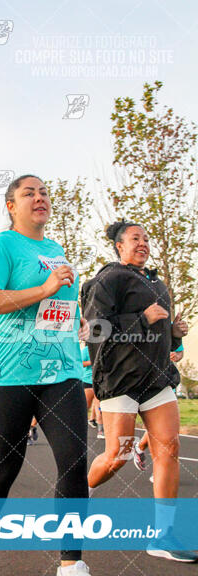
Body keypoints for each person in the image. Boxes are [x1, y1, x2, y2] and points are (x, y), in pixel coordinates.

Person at [0, 175, 91, 576]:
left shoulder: (56, 249)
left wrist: (76, 320)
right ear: (11, 206)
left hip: (62, 369)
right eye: (28, 193)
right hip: (9, 372)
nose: (39, 198)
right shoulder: (0, 245)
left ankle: (71, 564)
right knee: (6, 466)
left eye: (44, 192)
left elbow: (55, 306)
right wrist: (45, 287)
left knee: (73, 463)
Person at [82, 219, 197, 562]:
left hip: (157, 379)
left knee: (169, 448)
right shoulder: (107, 279)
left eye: (146, 238)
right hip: (120, 379)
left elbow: (160, 335)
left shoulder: (158, 283)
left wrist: (174, 332)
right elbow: (96, 331)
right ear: (119, 245)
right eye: (135, 238)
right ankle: (77, 496)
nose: (143, 243)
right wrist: (143, 319)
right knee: (117, 455)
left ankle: (163, 536)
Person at [133, 344, 185, 474]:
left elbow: (180, 352)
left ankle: (141, 450)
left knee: (169, 435)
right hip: (145, 384)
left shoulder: (169, 327)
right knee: (158, 431)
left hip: (167, 384)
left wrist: (176, 356)